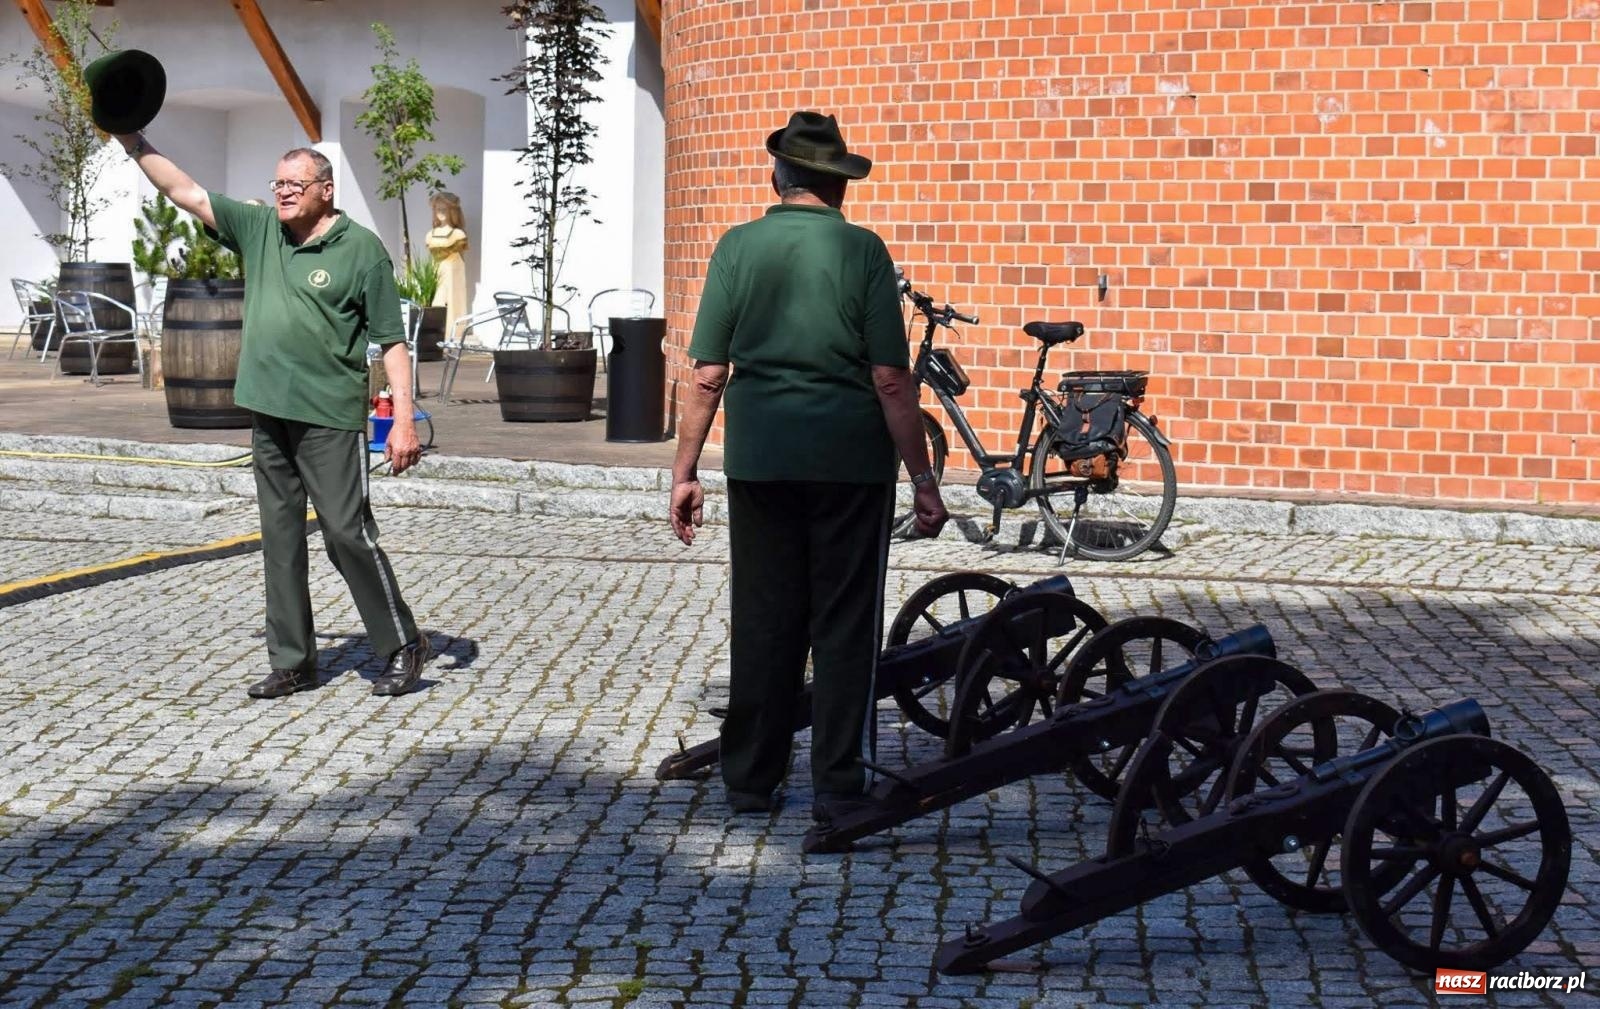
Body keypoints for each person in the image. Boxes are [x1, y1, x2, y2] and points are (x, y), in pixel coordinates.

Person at [669, 110, 949, 819]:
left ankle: (751, 778)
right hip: (850, 463)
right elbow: (891, 377)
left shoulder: (737, 247)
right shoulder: (864, 254)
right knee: (844, 622)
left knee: (764, 617)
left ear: (779, 176)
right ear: (839, 185)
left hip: (763, 461)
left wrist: (685, 471)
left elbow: (706, 375)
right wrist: (922, 477)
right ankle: (836, 782)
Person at [114, 131, 433, 699]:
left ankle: (403, 644)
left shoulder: (362, 251)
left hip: (330, 417)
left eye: (295, 184)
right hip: (269, 412)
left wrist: (403, 421)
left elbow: (392, 341)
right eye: (278, 183)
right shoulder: (261, 229)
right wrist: (129, 137)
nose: (283, 193)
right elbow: (184, 191)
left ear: (326, 191)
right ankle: (294, 661)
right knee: (280, 539)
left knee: (346, 534)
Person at [425, 192, 469, 339]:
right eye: (438, 210)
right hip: (437, 272)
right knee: (437, 302)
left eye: (444, 210)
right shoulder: (431, 234)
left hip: (453, 273)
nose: (440, 213)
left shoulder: (457, 235)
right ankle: (437, 333)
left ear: (452, 211)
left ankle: (454, 333)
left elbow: (458, 252)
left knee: (453, 303)